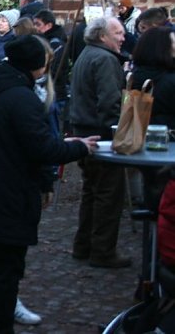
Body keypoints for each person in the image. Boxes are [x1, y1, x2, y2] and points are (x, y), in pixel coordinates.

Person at [0, 35, 96, 333]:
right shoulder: (20, 97)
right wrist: (79, 147)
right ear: (36, 65)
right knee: (4, 271)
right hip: (8, 196)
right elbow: (42, 148)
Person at [70, 17, 130, 268]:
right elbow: (109, 103)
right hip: (100, 136)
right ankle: (102, 251)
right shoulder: (104, 59)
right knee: (107, 194)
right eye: (118, 33)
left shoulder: (88, 54)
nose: (123, 37)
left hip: (85, 130)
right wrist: (117, 135)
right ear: (103, 36)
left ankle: (84, 245)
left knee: (92, 191)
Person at [130, 27, 175, 129]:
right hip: (167, 134)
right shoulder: (170, 80)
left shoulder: (133, 77)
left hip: (136, 133)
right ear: (163, 48)